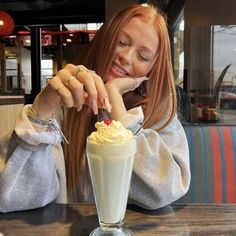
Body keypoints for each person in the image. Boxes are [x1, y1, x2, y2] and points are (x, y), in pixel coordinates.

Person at [0, 4, 190, 213]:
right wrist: (42, 109)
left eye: (143, 56)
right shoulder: (67, 105)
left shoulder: (160, 111)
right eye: (121, 42)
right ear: (105, 39)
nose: (126, 57)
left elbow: (164, 190)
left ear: (152, 68)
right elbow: (16, 197)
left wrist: (117, 106)